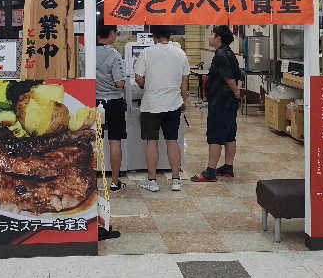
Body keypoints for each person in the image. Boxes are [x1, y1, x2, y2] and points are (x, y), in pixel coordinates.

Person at [134, 26, 190, 192]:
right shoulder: (180, 53)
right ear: (169, 35)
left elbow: (138, 77)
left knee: (152, 141)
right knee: (172, 140)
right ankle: (176, 180)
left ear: (154, 36)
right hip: (173, 103)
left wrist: (147, 85)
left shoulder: (147, 52)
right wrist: (183, 100)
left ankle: (152, 181)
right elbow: (184, 81)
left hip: (151, 104)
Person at [191, 25, 242, 182]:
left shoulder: (220, 54)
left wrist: (235, 91)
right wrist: (236, 93)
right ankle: (228, 167)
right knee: (229, 135)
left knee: (215, 136)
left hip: (221, 102)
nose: (210, 36)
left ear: (218, 37)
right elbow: (238, 75)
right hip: (229, 103)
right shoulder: (229, 52)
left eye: (212, 34)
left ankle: (210, 171)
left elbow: (228, 77)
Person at [96, 22, 127, 192]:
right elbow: (120, 82)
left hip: (93, 101)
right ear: (111, 34)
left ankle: (90, 181)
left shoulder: (87, 52)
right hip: (113, 102)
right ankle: (114, 182)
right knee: (114, 140)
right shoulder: (114, 55)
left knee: (92, 141)